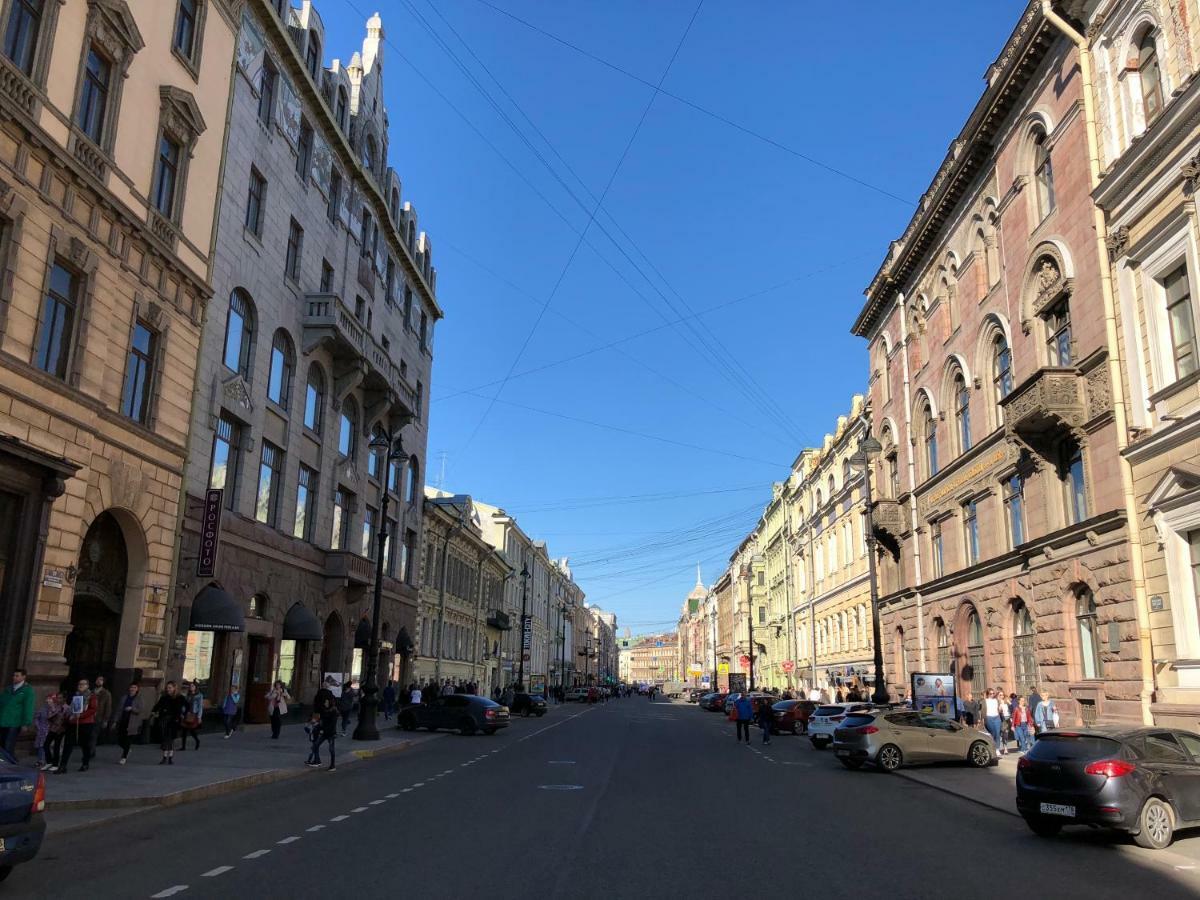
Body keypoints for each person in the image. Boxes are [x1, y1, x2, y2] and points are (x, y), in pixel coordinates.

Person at [57, 678, 97, 773]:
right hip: (73, 722)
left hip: (86, 723)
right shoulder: (75, 695)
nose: (81, 686)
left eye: (83, 684)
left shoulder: (91, 696)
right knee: (68, 743)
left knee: (85, 744)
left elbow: (93, 709)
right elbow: (71, 707)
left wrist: (82, 715)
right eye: (79, 684)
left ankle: (85, 763)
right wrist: (69, 717)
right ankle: (63, 765)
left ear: (87, 686)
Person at [0, 668, 35, 757]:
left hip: (15, 722)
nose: (14, 677)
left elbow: (28, 707)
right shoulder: (8, 688)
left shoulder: (27, 690)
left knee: (9, 744)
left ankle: (10, 765)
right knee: (2, 743)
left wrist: (26, 723)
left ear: (23, 677)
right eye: (13, 675)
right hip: (3, 720)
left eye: (17, 676)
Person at [153, 681, 186, 765]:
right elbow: (157, 706)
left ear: (174, 688)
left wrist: (180, 716)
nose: (168, 689)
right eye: (167, 688)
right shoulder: (164, 698)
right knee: (165, 738)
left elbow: (185, 707)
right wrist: (154, 711)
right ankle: (164, 757)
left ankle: (170, 757)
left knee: (170, 739)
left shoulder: (179, 698)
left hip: (174, 721)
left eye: (170, 688)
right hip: (164, 720)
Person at [308, 684, 338, 771]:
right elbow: (323, 721)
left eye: (326, 701)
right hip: (325, 732)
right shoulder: (326, 710)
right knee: (316, 745)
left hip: (330, 733)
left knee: (331, 749)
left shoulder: (333, 711)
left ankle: (332, 765)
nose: (325, 702)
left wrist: (322, 729)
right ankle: (318, 760)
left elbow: (331, 724)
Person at [33, 692, 64, 771]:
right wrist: (38, 726)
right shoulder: (42, 708)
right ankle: (41, 760)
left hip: (53, 730)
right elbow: (36, 718)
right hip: (42, 730)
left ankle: (54, 762)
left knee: (54, 746)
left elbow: (59, 719)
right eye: (48, 699)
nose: (48, 701)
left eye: (50, 699)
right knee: (42, 746)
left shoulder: (58, 708)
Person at [115, 683, 144, 765]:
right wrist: (115, 720)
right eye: (131, 687)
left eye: (134, 687)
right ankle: (127, 749)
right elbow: (119, 709)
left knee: (128, 739)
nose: (132, 689)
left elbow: (140, 710)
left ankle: (124, 757)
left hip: (132, 722)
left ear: (137, 689)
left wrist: (132, 708)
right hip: (123, 720)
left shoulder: (139, 698)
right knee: (120, 739)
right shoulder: (124, 697)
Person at [179, 681, 203, 751]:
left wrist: (199, 717)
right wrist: (182, 713)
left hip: (194, 714)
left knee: (192, 730)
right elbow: (184, 705)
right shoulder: (187, 695)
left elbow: (200, 706)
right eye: (190, 686)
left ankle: (197, 740)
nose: (191, 687)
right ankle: (183, 747)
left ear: (196, 687)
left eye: (192, 686)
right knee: (184, 730)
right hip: (187, 713)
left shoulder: (199, 695)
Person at [91, 675, 113, 750]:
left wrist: (106, 720)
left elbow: (108, 707)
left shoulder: (106, 693)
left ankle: (91, 751)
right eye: (97, 679)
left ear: (103, 682)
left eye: (101, 680)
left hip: (98, 717)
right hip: (89, 716)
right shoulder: (91, 692)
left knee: (94, 735)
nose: (98, 681)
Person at [983, 689, 1003, 753]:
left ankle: (997, 749)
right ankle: (992, 747)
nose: (992, 695)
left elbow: (1000, 710)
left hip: (997, 718)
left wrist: (1000, 709)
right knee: (992, 733)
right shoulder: (985, 701)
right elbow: (983, 711)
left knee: (997, 733)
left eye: (993, 693)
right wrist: (983, 719)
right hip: (989, 718)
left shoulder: (996, 700)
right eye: (991, 693)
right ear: (988, 694)